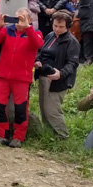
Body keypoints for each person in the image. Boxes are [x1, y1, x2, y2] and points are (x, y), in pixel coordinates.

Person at [0, 9, 43, 148]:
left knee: (21, 109)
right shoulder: (7, 31)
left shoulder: (35, 33)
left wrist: (28, 28)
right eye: (16, 18)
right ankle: (2, 135)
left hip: (22, 78)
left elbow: (37, 44)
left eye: (22, 18)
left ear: (30, 20)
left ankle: (18, 137)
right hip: (2, 75)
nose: (18, 22)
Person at [34, 10, 80, 139]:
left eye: (61, 27)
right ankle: (49, 132)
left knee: (52, 109)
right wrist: (37, 60)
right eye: (55, 26)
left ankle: (62, 134)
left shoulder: (72, 42)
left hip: (58, 79)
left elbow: (72, 63)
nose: (57, 29)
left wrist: (61, 73)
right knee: (43, 107)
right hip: (44, 75)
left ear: (68, 26)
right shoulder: (50, 35)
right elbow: (41, 52)